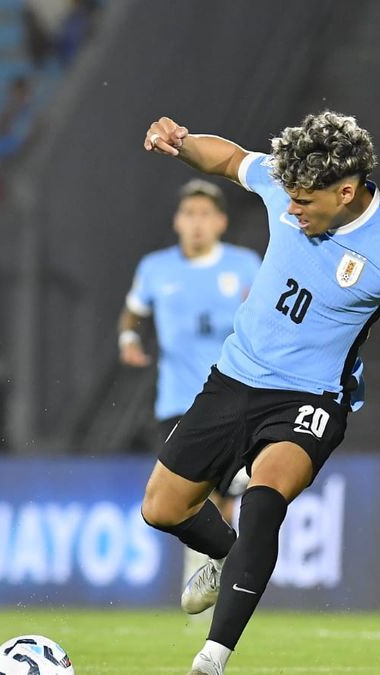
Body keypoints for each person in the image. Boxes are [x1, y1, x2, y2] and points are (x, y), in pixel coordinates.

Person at [141, 111, 380, 675]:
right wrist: (182, 144)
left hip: (311, 397)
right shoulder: (287, 180)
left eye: (304, 202)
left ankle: (210, 659)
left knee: (265, 495)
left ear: (346, 191)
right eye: (289, 198)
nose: (291, 211)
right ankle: (234, 559)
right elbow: (227, 160)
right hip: (234, 377)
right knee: (161, 508)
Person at [117, 178, 261, 617]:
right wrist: (127, 336)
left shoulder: (245, 265)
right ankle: (214, 574)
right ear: (178, 221)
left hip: (233, 397)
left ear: (220, 222)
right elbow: (135, 309)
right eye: (189, 214)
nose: (196, 223)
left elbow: (264, 313)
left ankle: (211, 580)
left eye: (205, 214)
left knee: (221, 495)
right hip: (177, 402)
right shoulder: (156, 268)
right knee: (191, 498)